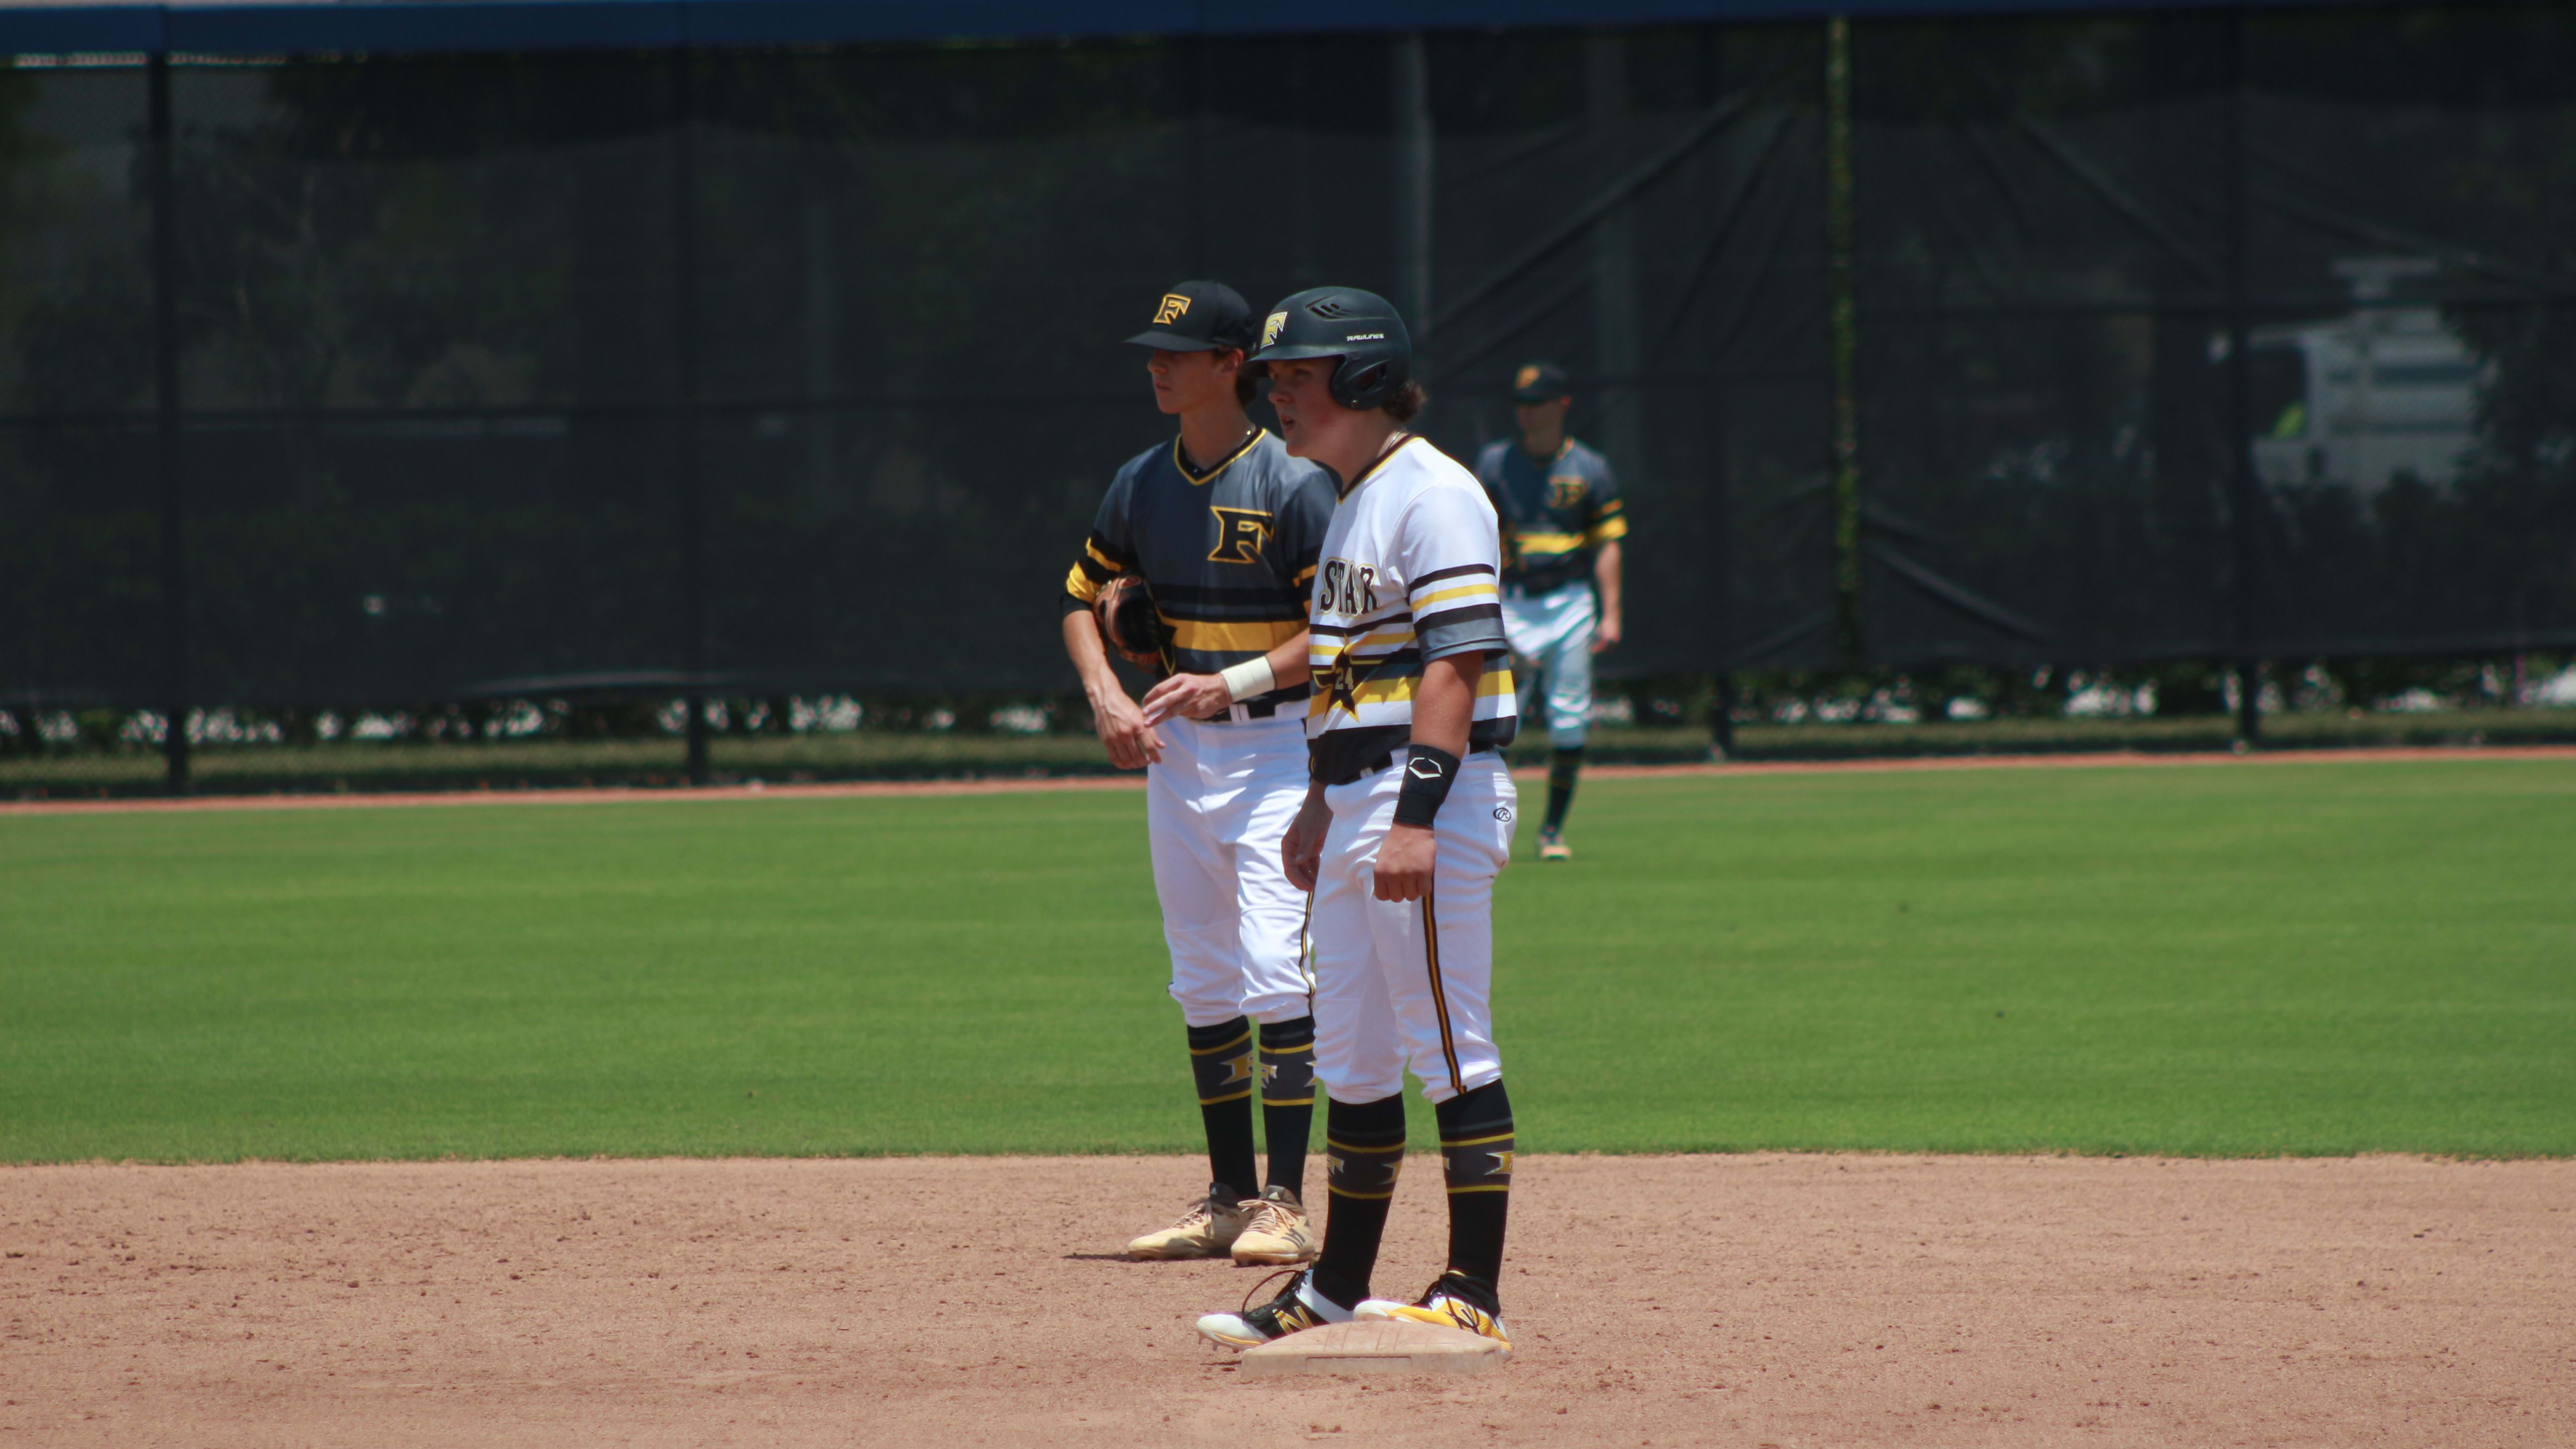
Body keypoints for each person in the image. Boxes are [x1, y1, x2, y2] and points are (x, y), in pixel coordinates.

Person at [1194, 287, 1521, 1352]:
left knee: (1449, 1046)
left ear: (1367, 379)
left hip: (1426, 796)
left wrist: (1413, 817)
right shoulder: (1351, 499)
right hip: (1358, 803)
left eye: (1297, 375)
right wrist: (1322, 810)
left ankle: (1472, 1289)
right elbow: (1346, 680)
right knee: (1356, 1061)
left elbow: (1453, 665)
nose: (1277, 396)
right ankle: (1334, 1291)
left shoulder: (1436, 493)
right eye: (1273, 379)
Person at [1060, 280, 1339, 1266]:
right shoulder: (1140, 481)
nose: (1156, 364)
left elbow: (1339, 632)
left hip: (1278, 751)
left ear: (1235, 366)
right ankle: (1226, 1196)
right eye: (1152, 351)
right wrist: (1104, 695)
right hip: (1179, 755)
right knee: (1204, 977)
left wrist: (1235, 682)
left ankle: (1288, 1203)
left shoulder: (1296, 485)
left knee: (1273, 969)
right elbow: (1080, 597)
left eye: (1178, 352)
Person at [1472, 362, 1626, 862]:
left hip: (1569, 601)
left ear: (1562, 405)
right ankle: (1487, 822)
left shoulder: (1589, 468)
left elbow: (1608, 545)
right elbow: (1475, 540)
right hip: (1511, 601)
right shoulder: (1495, 464)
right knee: (1494, 719)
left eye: (1537, 403)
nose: (1527, 413)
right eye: (1522, 404)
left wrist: (1612, 613)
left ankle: (1552, 831)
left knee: (1568, 717)